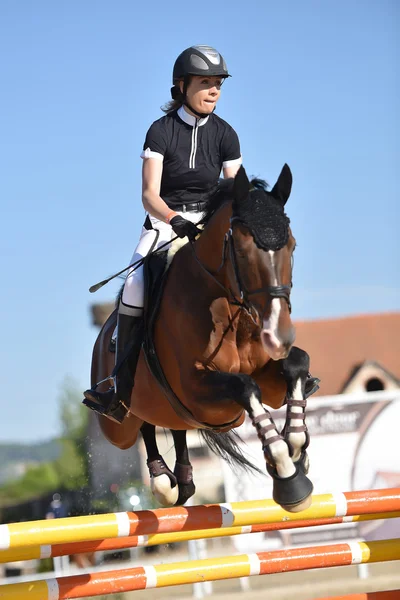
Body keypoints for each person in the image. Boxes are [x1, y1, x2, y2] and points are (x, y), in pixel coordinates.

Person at [83, 45, 242, 424]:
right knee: (136, 284)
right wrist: (175, 220)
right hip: (164, 223)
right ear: (182, 85)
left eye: (218, 83)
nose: (214, 90)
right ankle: (119, 386)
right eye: (205, 83)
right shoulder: (160, 131)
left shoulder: (226, 134)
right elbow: (148, 195)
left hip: (209, 226)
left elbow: (235, 191)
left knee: (251, 271)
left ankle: (273, 354)